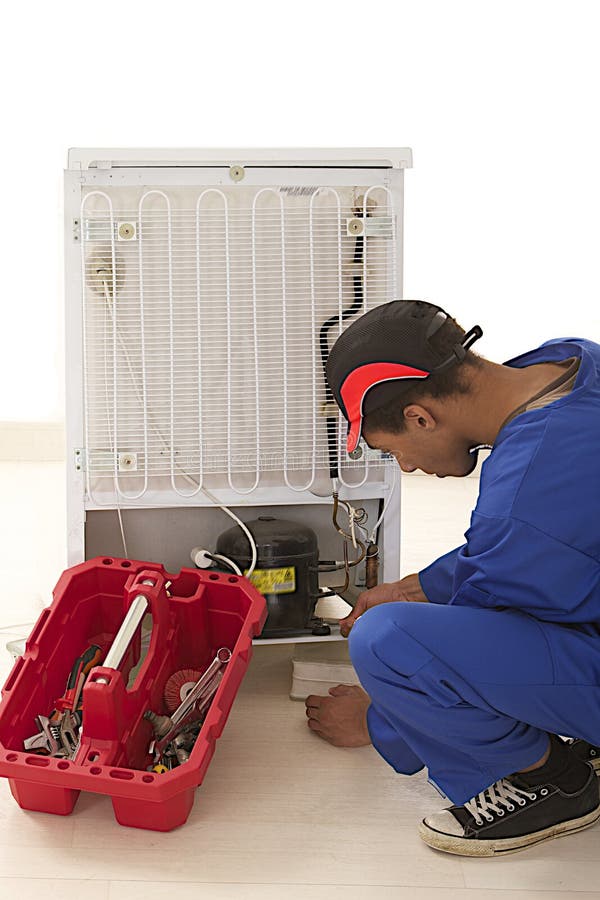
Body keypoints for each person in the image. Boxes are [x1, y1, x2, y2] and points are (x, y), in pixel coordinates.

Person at [305, 299, 600, 857]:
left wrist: (380, 720)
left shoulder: (524, 492)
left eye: (394, 452)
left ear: (419, 416)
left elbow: (470, 636)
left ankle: (550, 783)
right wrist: (412, 586)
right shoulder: (571, 362)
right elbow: (540, 546)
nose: (409, 467)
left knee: (385, 641)